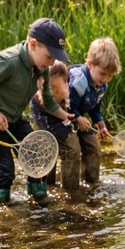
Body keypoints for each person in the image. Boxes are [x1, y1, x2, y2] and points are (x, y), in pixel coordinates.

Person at [0, 18, 74, 203]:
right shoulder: (9, 60)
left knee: (34, 154)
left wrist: (64, 115)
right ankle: (1, 207)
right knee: (6, 167)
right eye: (49, 56)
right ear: (33, 44)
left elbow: (49, 101)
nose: (52, 63)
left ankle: (38, 198)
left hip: (15, 117)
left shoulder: (41, 68)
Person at [62, 37, 122, 185]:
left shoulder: (102, 85)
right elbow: (67, 105)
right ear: (90, 64)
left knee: (94, 145)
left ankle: (91, 182)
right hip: (61, 118)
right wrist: (77, 118)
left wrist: (100, 123)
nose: (106, 79)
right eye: (103, 73)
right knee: (73, 149)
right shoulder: (79, 82)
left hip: (79, 118)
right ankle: (71, 187)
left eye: (110, 75)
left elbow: (95, 107)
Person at [29, 60, 78, 188]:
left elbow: (70, 108)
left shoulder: (70, 86)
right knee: (48, 148)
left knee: (70, 148)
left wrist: (74, 117)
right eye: (51, 90)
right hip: (42, 115)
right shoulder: (39, 93)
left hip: (59, 114)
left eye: (57, 90)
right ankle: (46, 186)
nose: (54, 94)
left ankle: (69, 189)